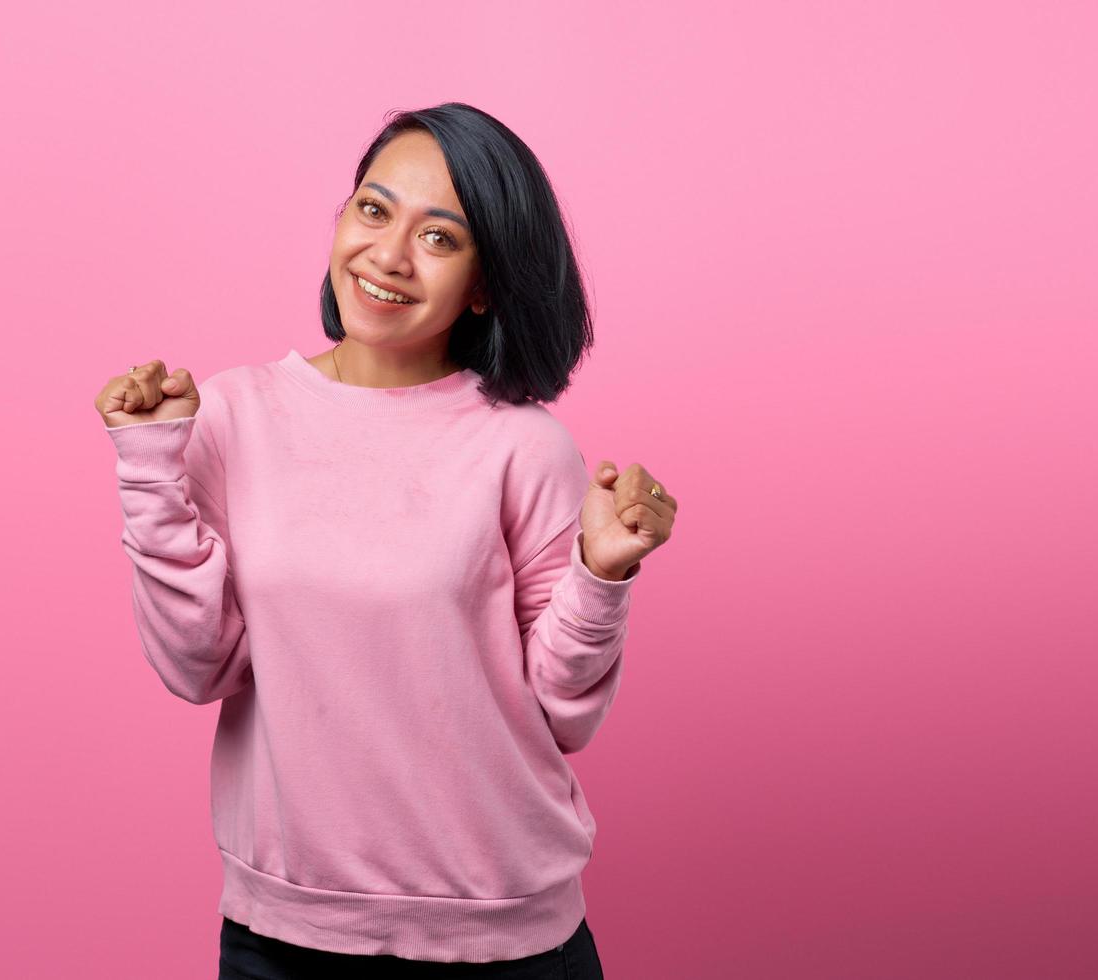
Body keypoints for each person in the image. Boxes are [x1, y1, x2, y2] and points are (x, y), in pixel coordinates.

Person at [93, 102, 677, 978]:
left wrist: (598, 576)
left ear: (484, 283)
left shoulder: (522, 444)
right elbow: (196, 669)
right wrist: (149, 469)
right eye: (373, 210)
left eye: (440, 238)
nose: (389, 256)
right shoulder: (229, 415)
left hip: (506, 940)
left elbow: (563, 716)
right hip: (284, 937)